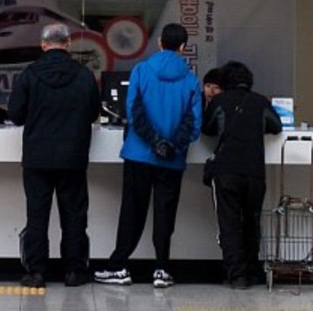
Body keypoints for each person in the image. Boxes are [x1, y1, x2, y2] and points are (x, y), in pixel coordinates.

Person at [94, 22, 201, 289]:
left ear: (160, 42)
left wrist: (153, 141)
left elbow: (134, 111)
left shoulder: (141, 70)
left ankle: (119, 266)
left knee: (132, 210)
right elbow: (193, 123)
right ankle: (161, 269)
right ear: (183, 47)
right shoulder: (191, 80)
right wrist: (170, 145)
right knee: (165, 214)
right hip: (172, 160)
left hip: (139, 154)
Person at [7, 22, 100, 289]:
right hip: (73, 156)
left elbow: (15, 115)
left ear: (43, 45)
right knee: (74, 216)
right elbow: (93, 113)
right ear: (68, 43)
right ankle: (74, 271)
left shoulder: (30, 74)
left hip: (38, 157)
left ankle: (37, 272)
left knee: (37, 215)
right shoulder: (84, 75)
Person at [200, 60, 282, 289]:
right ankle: (252, 272)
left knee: (229, 224)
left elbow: (207, 128)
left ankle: (237, 276)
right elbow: (276, 126)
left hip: (226, 171)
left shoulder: (219, 101)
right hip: (255, 172)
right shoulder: (260, 102)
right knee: (251, 222)